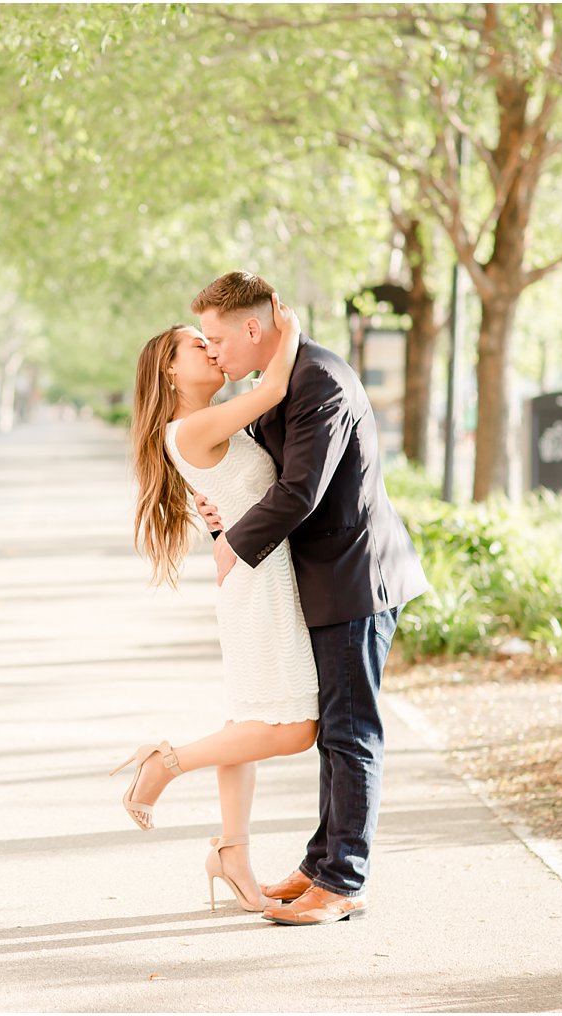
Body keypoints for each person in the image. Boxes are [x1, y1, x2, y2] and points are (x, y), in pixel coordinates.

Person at [191, 270, 429, 926]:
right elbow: (265, 483)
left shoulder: (317, 378)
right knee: (334, 730)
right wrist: (225, 517)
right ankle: (320, 862)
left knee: (351, 731)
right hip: (324, 580)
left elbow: (300, 491)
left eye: (217, 339)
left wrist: (233, 547)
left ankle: (343, 880)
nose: (213, 353)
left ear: (253, 326)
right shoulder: (275, 382)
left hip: (358, 579)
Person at [122, 293, 317, 915]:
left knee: (247, 728)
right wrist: (287, 327)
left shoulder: (204, 423)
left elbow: (230, 496)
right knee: (292, 731)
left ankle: (232, 851)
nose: (209, 348)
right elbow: (274, 387)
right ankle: (168, 761)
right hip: (259, 585)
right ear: (169, 372)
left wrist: (217, 531)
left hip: (256, 577)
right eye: (194, 345)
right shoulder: (196, 425)